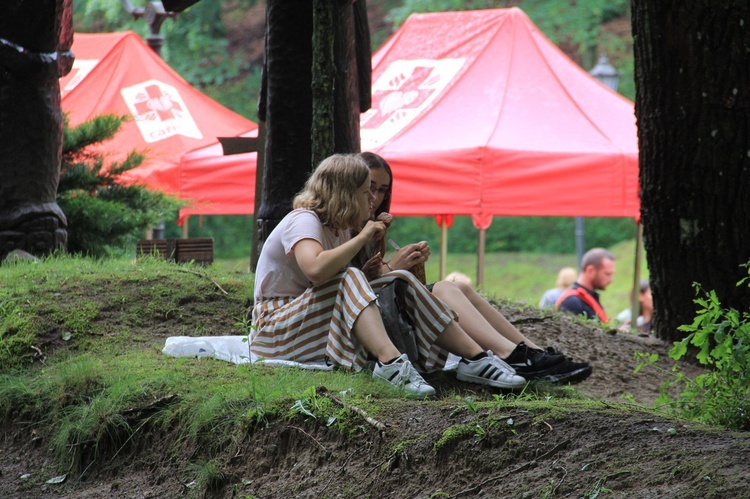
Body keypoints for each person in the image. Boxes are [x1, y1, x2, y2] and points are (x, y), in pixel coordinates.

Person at [251, 153, 527, 400]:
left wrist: (383, 263)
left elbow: (336, 283)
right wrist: (363, 238)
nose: (373, 200)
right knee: (350, 276)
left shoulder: (340, 229)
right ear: (346, 194)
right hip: (274, 328)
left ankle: (474, 357)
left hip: (309, 321)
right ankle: (390, 363)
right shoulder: (304, 219)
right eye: (365, 192)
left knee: (398, 280)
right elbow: (316, 269)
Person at [354, 152, 592, 384]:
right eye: (370, 188)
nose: (375, 197)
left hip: (390, 307)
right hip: (366, 323)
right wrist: (395, 266)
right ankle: (509, 355)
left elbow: (379, 276)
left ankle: (532, 352)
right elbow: (352, 284)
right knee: (444, 288)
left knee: (460, 287)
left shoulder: (373, 226)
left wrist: (407, 263)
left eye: (383, 190)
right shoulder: (347, 226)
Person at [556, 248, 615, 322]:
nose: (611, 280)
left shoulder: (589, 297)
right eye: (607, 274)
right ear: (590, 270)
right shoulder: (572, 302)